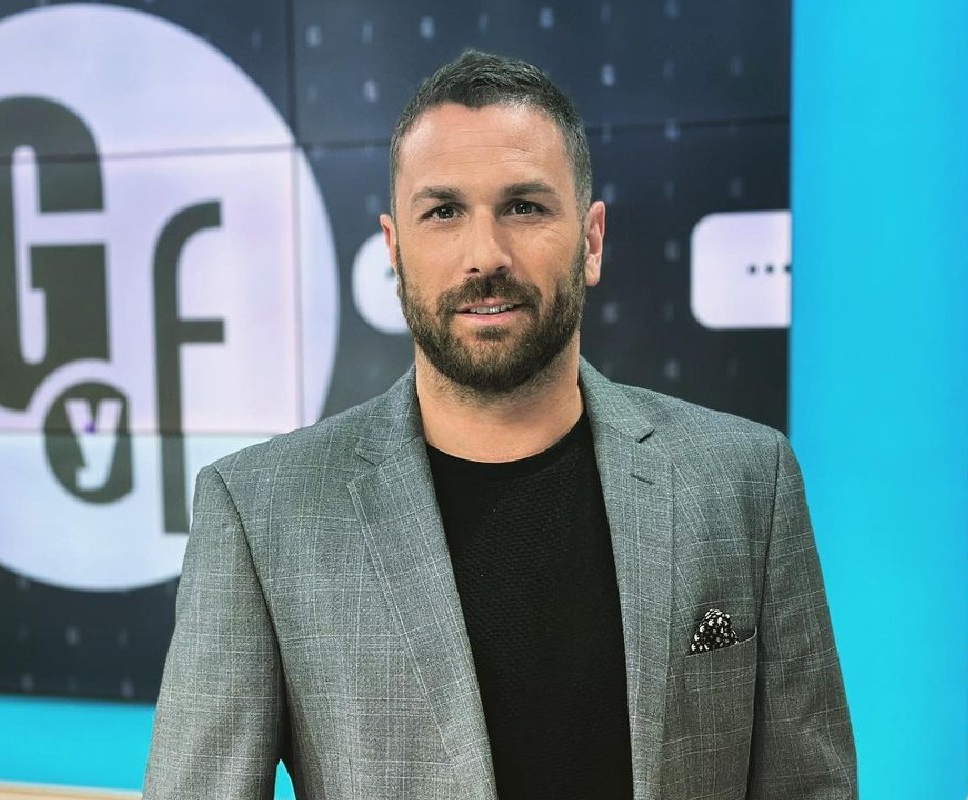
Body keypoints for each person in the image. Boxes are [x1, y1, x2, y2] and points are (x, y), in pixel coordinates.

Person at [144, 50, 856, 800]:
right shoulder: (261, 512)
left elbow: (810, 787)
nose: (485, 254)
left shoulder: (746, 480)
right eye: (443, 211)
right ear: (394, 250)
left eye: (524, 206)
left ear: (591, 240)